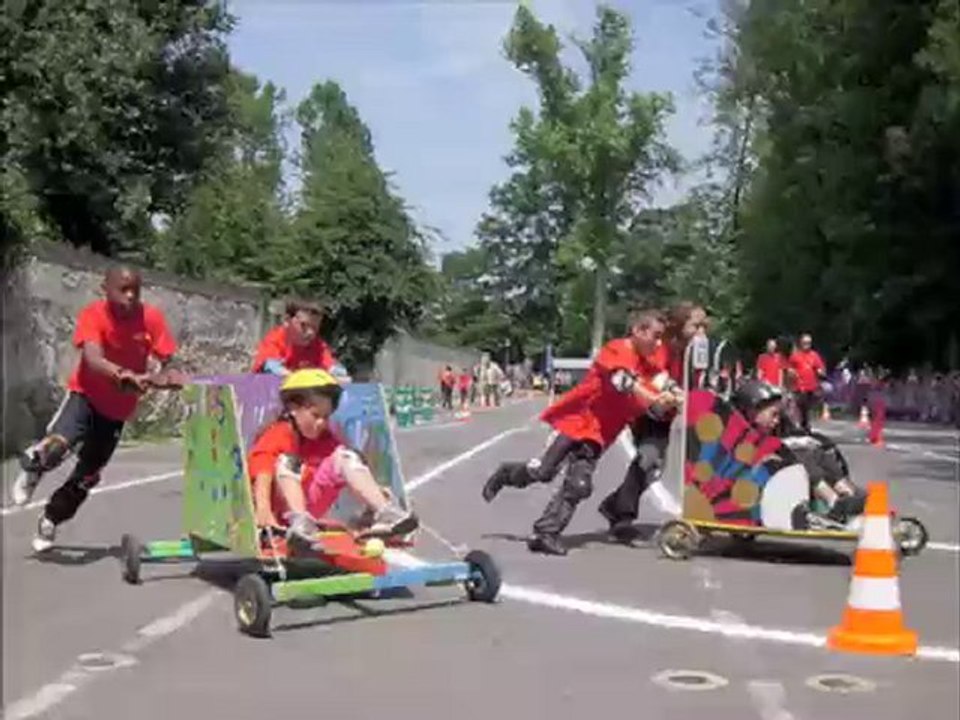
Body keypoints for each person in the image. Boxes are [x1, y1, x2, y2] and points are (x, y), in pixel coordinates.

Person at [12, 267, 185, 552]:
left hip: (116, 412)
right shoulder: (94, 315)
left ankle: (51, 518)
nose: (130, 297)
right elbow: (93, 358)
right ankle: (35, 466)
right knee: (57, 446)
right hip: (85, 396)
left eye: (135, 291)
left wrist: (170, 376)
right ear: (106, 289)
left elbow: (169, 360)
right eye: (123, 290)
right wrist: (122, 375)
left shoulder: (150, 318)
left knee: (87, 476)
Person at [481, 309, 678, 556]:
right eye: (655, 336)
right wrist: (656, 398)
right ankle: (507, 473)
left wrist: (672, 394)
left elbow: (660, 379)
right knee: (543, 472)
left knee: (579, 485)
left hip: (599, 435)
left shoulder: (647, 362)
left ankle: (545, 533)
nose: (658, 343)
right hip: (575, 425)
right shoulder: (617, 350)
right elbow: (624, 381)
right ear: (638, 331)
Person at [248, 369, 418, 542]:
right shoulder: (280, 432)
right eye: (315, 415)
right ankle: (300, 523)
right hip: (279, 510)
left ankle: (385, 513)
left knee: (346, 456)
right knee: (289, 461)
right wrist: (263, 510)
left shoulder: (325, 438)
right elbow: (261, 470)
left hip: (310, 507)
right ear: (293, 408)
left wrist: (376, 495)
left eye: (326, 417)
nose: (321, 422)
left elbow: (349, 468)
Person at [596, 301, 709, 541]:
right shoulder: (662, 348)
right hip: (648, 411)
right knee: (647, 459)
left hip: (670, 414)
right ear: (679, 325)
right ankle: (623, 517)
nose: (702, 332)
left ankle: (614, 504)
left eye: (704, 326)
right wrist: (668, 393)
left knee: (655, 470)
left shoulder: (695, 350)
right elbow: (653, 376)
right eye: (696, 326)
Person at [731, 380, 865, 525]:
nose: (776, 421)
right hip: (753, 487)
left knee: (817, 453)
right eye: (773, 415)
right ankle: (833, 502)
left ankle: (847, 494)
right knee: (799, 456)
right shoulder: (738, 435)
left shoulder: (767, 432)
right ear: (752, 412)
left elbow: (790, 435)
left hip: (770, 479)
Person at [252, 299, 347, 379]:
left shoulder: (318, 346)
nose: (310, 332)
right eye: (303, 325)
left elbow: (333, 368)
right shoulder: (275, 340)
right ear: (287, 320)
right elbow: (271, 367)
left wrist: (338, 373)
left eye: (315, 327)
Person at [787, 333, 826, 431]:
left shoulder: (814, 355)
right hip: (799, 386)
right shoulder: (795, 356)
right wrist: (791, 373)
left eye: (808, 343)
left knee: (807, 407)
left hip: (811, 387)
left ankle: (805, 424)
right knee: (801, 405)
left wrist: (820, 371)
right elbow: (789, 368)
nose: (807, 345)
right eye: (805, 343)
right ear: (801, 343)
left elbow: (820, 367)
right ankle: (803, 424)